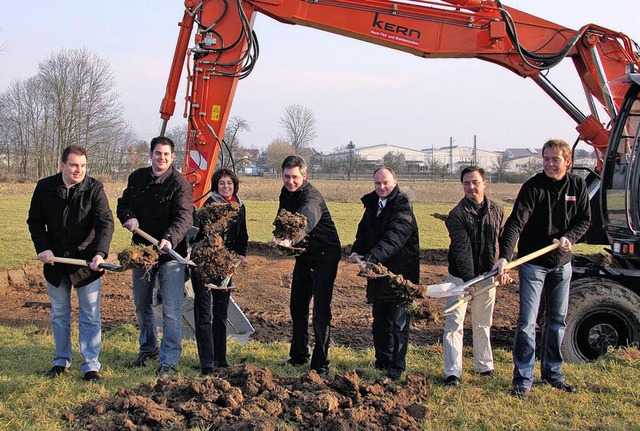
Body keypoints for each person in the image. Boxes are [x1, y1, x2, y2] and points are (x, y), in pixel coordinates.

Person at [495, 138, 590, 399]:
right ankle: (523, 379)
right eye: (546, 159)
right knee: (526, 322)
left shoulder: (577, 186)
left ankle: (553, 374)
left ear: (567, 162)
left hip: (562, 265)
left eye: (554, 159)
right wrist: (505, 256)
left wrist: (570, 237)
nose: (549, 163)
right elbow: (515, 223)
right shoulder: (532, 187)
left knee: (557, 320)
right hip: (533, 264)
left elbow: (584, 220)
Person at [27, 145, 114, 382]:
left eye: (83, 166)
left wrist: (100, 253)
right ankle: (61, 361)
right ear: (62, 165)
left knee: (90, 314)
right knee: (59, 314)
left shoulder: (94, 188)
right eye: (74, 165)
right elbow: (34, 221)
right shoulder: (45, 187)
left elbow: (105, 222)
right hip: (55, 262)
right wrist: (43, 248)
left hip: (86, 262)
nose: (79, 170)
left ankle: (90, 365)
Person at [117, 136, 193, 379]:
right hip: (142, 253)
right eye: (158, 153)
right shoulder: (137, 178)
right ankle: (148, 348)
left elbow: (184, 217)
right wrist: (128, 216)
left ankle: (169, 359)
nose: (162, 158)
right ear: (151, 154)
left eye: (166, 155)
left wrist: (169, 237)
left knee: (171, 309)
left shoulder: (180, 184)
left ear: (172, 157)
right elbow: (123, 204)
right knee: (142, 304)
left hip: (170, 254)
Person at [269, 155, 341, 377]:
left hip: (325, 255)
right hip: (304, 255)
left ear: (304, 176)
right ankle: (299, 355)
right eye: (286, 176)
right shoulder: (286, 193)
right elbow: (284, 220)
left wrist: (290, 240)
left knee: (320, 310)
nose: (290, 181)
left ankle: (320, 364)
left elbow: (305, 221)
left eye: (295, 177)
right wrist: (278, 237)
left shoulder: (312, 197)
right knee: (297, 306)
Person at [348, 167, 420, 381]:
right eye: (377, 183)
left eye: (385, 183)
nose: (381, 187)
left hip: (400, 275)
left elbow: (394, 239)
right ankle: (382, 360)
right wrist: (357, 249)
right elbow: (364, 232)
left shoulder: (403, 208)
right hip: (378, 274)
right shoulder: (373, 204)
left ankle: (396, 367)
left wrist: (371, 259)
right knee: (380, 319)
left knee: (399, 322)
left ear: (395, 182)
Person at [442, 166, 505, 387]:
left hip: (488, 277)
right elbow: (461, 250)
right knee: (454, 323)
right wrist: (468, 282)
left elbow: (502, 241)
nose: (471, 187)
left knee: (482, 323)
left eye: (475, 182)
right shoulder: (456, 215)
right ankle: (452, 372)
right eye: (467, 183)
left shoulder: (497, 210)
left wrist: (503, 264)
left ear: (484, 183)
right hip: (460, 278)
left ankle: (484, 366)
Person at [191, 168, 248, 375]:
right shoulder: (208, 207)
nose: (226, 187)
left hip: (226, 266)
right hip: (204, 266)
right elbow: (199, 236)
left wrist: (239, 255)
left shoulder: (239, 207)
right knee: (204, 312)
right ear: (216, 185)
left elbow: (242, 236)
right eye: (222, 183)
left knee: (221, 312)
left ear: (235, 185)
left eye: (229, 183)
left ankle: (221, 359)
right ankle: (207, 362)